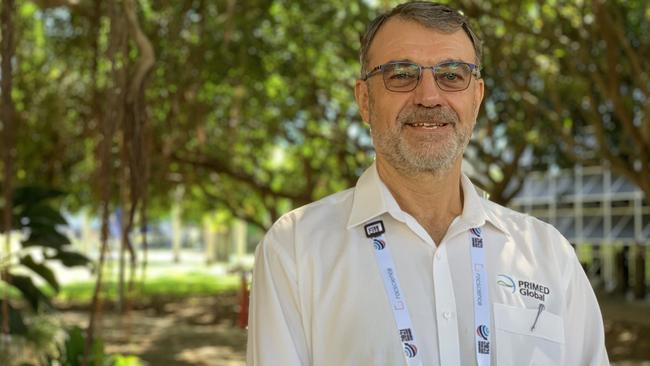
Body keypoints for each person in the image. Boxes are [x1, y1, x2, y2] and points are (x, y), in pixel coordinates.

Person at [246, 2, 609, 365]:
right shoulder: (294, 250)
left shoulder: (550, 256)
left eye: (452, 75)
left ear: (477, 97)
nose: (429, 97)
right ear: (364, 100)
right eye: (401, 74)